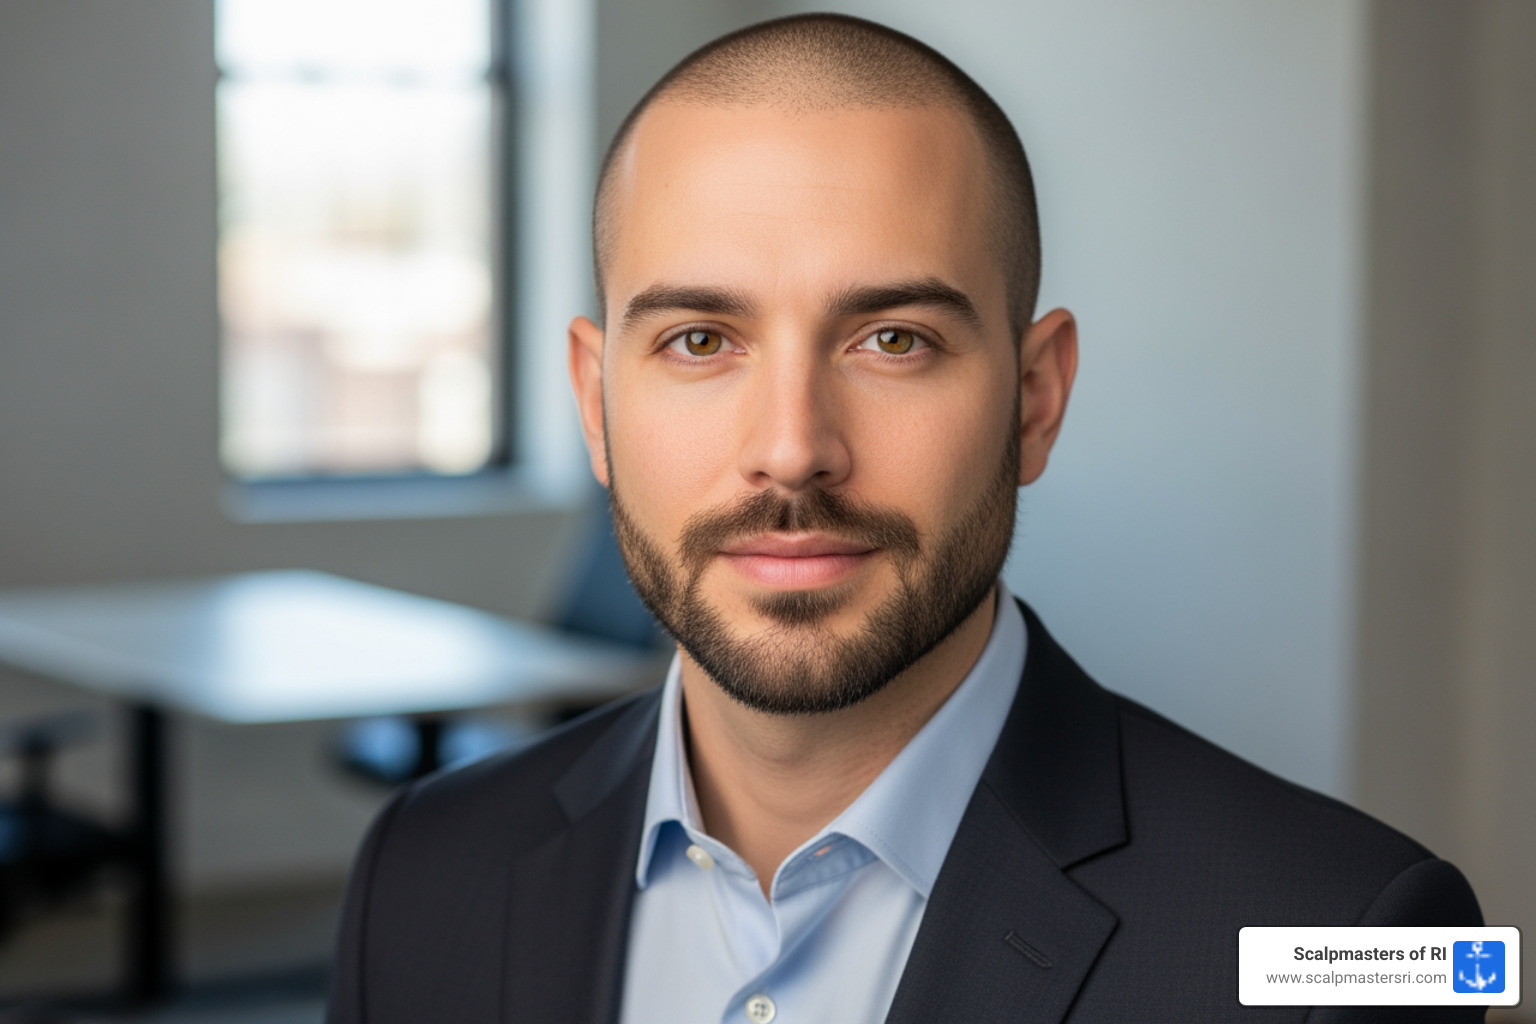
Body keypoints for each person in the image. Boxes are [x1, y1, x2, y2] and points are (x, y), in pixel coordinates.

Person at [326, 14, 1482, 1024]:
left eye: (894, 341)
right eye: (699, 341)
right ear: (595, 402)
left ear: (1035, 401)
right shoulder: (420, 870)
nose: (791, 448)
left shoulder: (1372, 943)